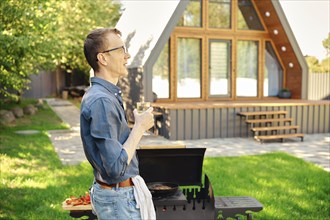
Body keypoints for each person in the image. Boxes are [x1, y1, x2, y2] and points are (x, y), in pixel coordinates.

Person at [81, 28, 155, 220]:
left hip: (116, 197)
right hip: (119, 200)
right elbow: (115, 168)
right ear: (103, 59)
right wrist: (139, 127)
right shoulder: (102, 101)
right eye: (121, 49)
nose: (127, 55)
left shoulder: (103, 96)